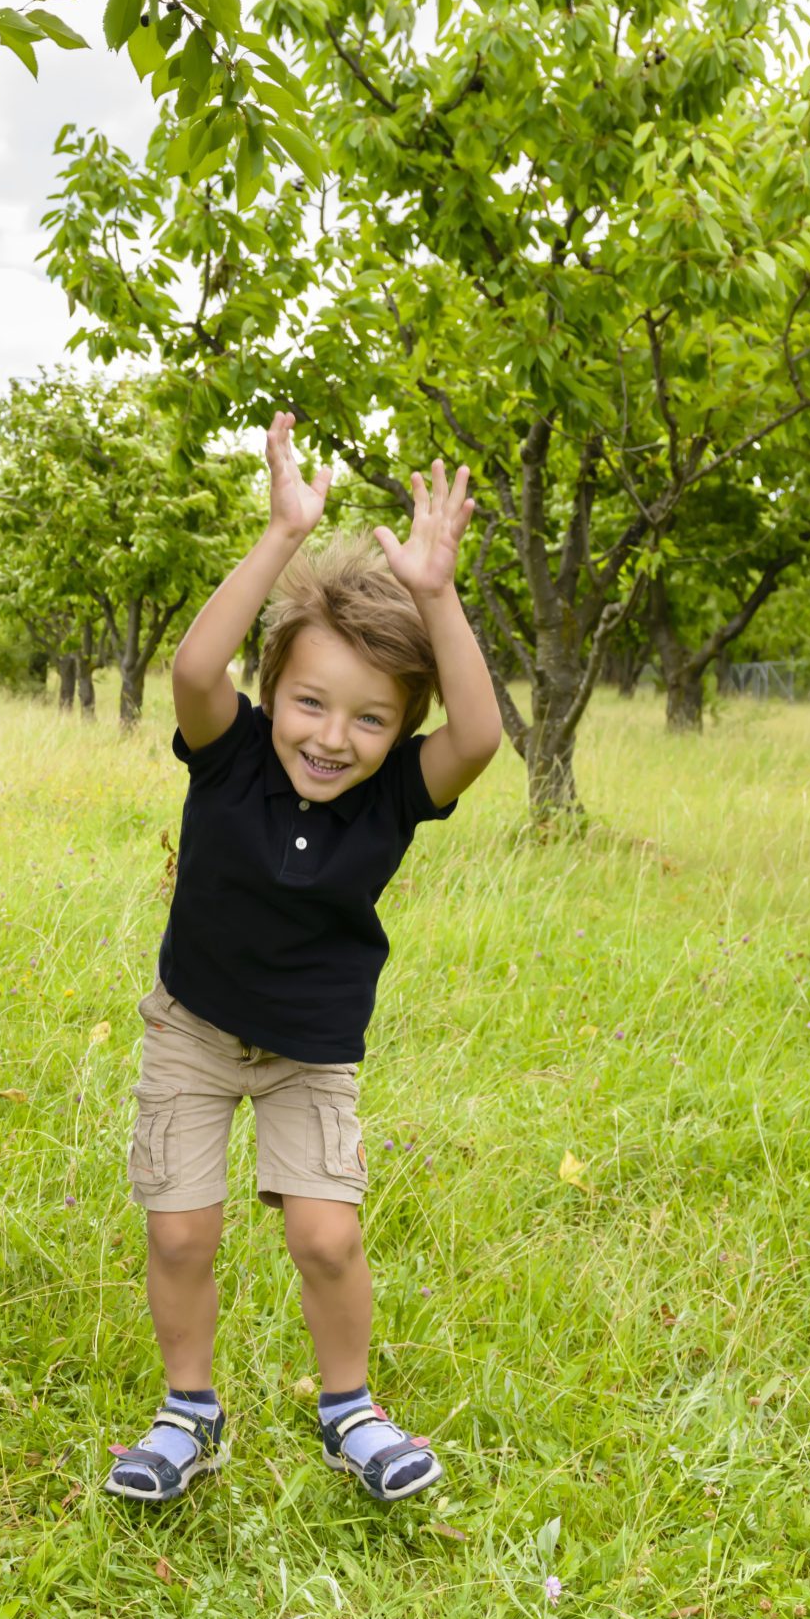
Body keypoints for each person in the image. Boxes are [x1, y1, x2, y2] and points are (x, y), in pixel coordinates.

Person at [103, 420, 502, 1504]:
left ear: (398, 729)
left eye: (371, 719)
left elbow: (480, 732)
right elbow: (195, 662)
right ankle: (186, 1409)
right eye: (311, 702)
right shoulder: (225, 751)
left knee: (326, 1235)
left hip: (309, 1051)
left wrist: (435, 594)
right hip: (192, 1026)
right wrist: (284, 533)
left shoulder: (395, 797)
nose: (333, 736)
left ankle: (349, 1412)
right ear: (272, 690)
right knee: (182, 1230)